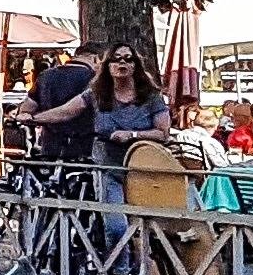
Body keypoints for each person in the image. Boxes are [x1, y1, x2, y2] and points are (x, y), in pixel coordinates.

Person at [86, 46, 172, 166]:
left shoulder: (151, 96)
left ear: (135, 66)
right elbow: (66, 111)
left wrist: (132, 135)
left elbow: (163, 134)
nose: (122, 62)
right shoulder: (96, 93)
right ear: (108, 66)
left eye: (128, 59)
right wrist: (49, 115)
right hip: (107, 165)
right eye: (116, 59)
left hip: (144, 165)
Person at [22, 46, 99, 177]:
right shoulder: (95, 80)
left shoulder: (45, 76)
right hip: (84, 150)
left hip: (50, 146)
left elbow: (25, 109)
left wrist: (36, 118)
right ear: (95, 58)